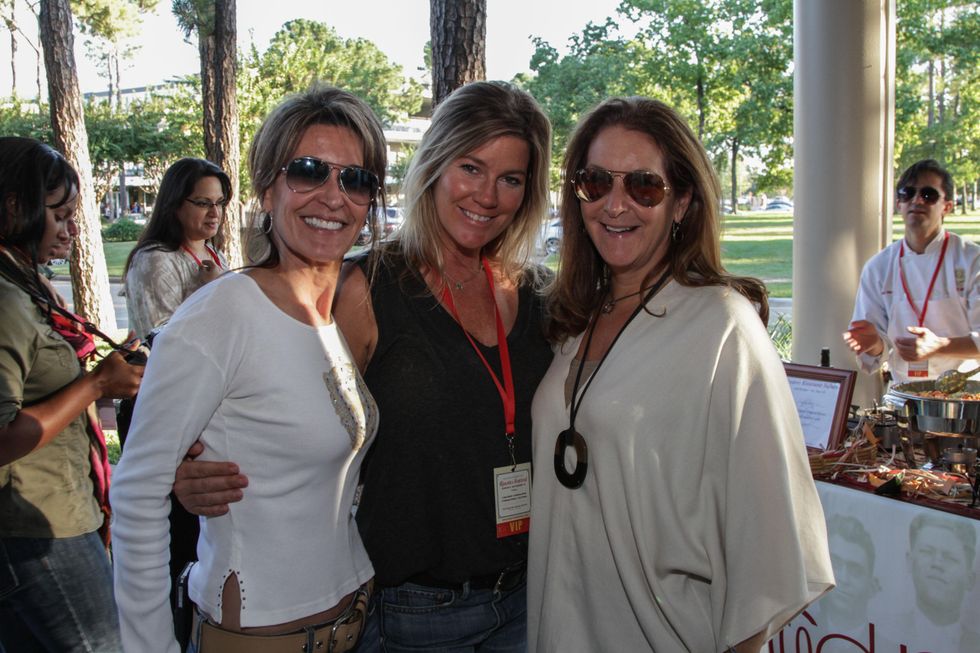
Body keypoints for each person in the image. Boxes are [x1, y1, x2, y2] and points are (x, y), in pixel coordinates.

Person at [174, 80, 555, 652]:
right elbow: (274, 405)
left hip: (531, 600)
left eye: (511, 179)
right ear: (433, 166)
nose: (488, 195)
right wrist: (186, 468)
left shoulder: (538, 295)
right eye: (471, 168)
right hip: (414, 613)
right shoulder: (366, 289)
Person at [527, 97, 833, 652]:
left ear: (683, 202)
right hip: (563, 627)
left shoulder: (722, 326)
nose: (615, 205)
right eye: (596, 182)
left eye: (644, 185)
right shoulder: (575, 319)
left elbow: (768, 536)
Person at [109, 85, 385, 653]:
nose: (334, 197)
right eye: (309, 171)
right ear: (266, 189)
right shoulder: (221, 314)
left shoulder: (331, 312)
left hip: (356, 622)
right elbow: (137, 495)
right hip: (259, 633)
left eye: (355, 179)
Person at [0, 136, 144, 652]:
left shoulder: (26, 284)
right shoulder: (6, 299)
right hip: (38, 530)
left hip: (54, 515)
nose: (71, 229)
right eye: (59, 215)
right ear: (17, 207)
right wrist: (97, 383)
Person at [843, 159, 979, 384]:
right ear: (899, 203)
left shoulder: (972, 260)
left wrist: (938, 346)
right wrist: (873, 344)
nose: (917, 200)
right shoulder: (879, 267)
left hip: (967, 397)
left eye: (928, 194)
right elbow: (878, 349)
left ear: (947, 206)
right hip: (904, 393)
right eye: (907, 193)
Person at [123, 157, 232, 341]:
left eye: (219, 202)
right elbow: (163, 340)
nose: (215, 212)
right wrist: (216, 293)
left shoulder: (216, 254)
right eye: (203, 203)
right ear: (175, 204)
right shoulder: (155, 260)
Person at [882, 512, 980, 652]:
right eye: (927, 552)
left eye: (950, 558)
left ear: (970, 578)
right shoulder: (884, 630)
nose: (937, 564)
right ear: (910, 561)